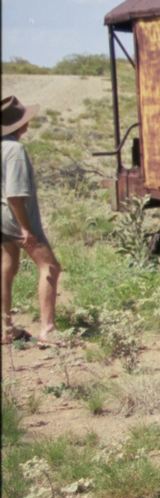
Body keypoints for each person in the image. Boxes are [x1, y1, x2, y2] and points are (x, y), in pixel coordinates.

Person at [2, 95, 63, 346]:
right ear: (21, 125)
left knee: (7, 266)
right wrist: (26, 227)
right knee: (49, 267)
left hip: (1, 217)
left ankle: (4, 327)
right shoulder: (14, 149)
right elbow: (15, 194)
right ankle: (48, 329)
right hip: (15, 216)